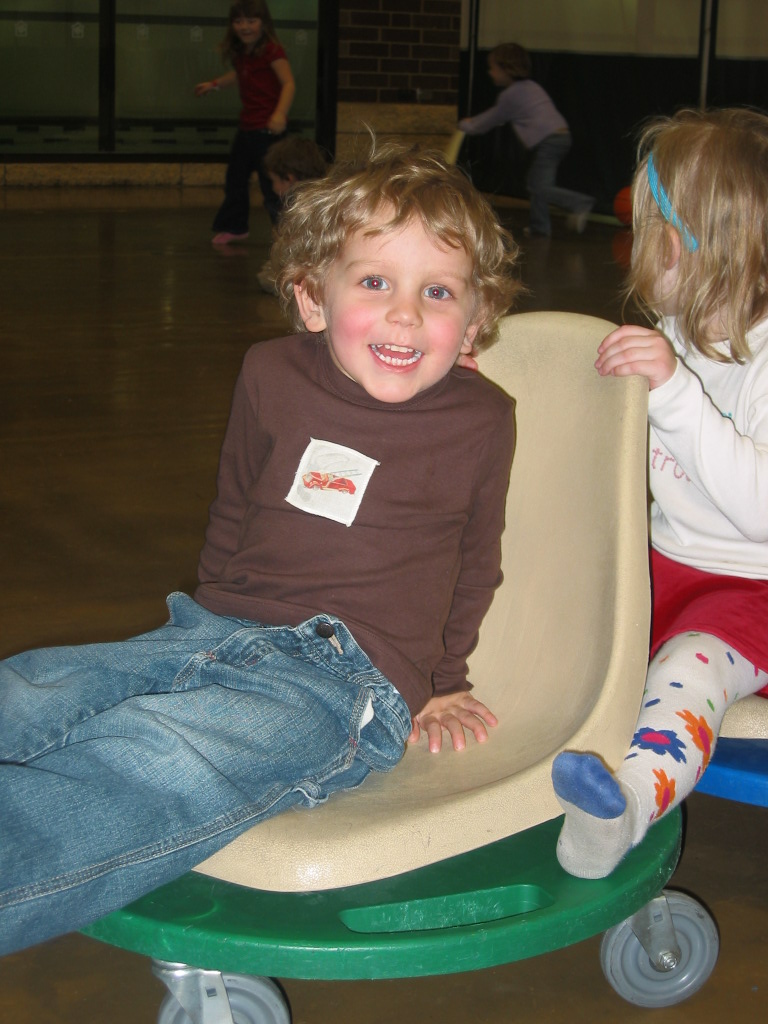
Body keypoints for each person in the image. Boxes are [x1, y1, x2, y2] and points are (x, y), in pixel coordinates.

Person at [0, 142, 522, 956]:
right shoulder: (270, 372)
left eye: (438, 292)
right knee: (35, 688)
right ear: (313, 298)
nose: (405, 314)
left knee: (164, 759)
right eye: (374, 282)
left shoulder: (481, 419)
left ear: (475, 322)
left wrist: (441, 681)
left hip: (345, 678)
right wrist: (201, 621)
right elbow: (235, 501)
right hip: (214, 627)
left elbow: (475, 561)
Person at [551, 107, 768, 879]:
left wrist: (672, 395)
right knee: (562, 617)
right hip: (663, 561)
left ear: (684, 246)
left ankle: (625, 810)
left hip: (749, 590)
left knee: (689, 674)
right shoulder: (678, 332)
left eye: (646, 233)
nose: (636, 251)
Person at [458, 42, 594, 239]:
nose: (490, 73)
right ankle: (540, 227)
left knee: (538, 186)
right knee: (536, 183)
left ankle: (579, 203)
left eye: (493, 68)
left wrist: (466, 125)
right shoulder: (531, 87)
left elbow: (489, 120)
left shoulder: (511, 95)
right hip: (560, 137)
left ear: (507, 69)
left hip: (550, 140)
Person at [195, 1, 295, 245]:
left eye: (251, 21)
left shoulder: (271, 51)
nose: (245, 26)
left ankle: (286, 232)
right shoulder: (243, 53)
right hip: (248, 128)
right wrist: (215, 84)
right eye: (238, 21)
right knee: (235, 179)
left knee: (271, 184)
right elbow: (238, 75)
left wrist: (280, 114)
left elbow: (288, 83)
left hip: (269, 131)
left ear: (263, 23)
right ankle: (235, 226)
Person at [257, 135, 329, 293]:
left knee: (267, 277)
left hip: (311, 272)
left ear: (289, 178)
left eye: (274, 181)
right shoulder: (325, 196)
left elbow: (289, 250)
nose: (273, 188)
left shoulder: (298, 207)